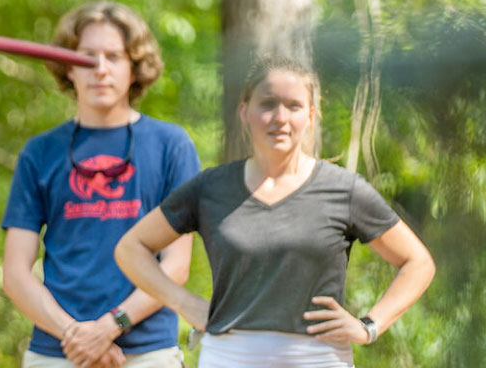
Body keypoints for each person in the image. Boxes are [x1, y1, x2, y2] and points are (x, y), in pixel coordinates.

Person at [115, 56, 435, 367]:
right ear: (244, 112)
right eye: (267, 103)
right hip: (229, 355)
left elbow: (417, 262)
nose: (280, 117)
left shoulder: (344, 189)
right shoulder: (210, 188)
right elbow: (131, 248)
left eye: (294, 106)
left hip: (319, 357)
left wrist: (369, 326)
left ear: (311, 116)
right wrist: (185, 303)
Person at [1, 1, 198, 368]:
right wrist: (75, 335)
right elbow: (14, 273)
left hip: (147, 352)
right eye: (87, 57)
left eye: (114, 57)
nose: (100, 70)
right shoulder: (40, 152)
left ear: (134, 68)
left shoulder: (172, 146)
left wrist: (109, 327)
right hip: (56, 352)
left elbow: (176, 265)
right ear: (68, 67)